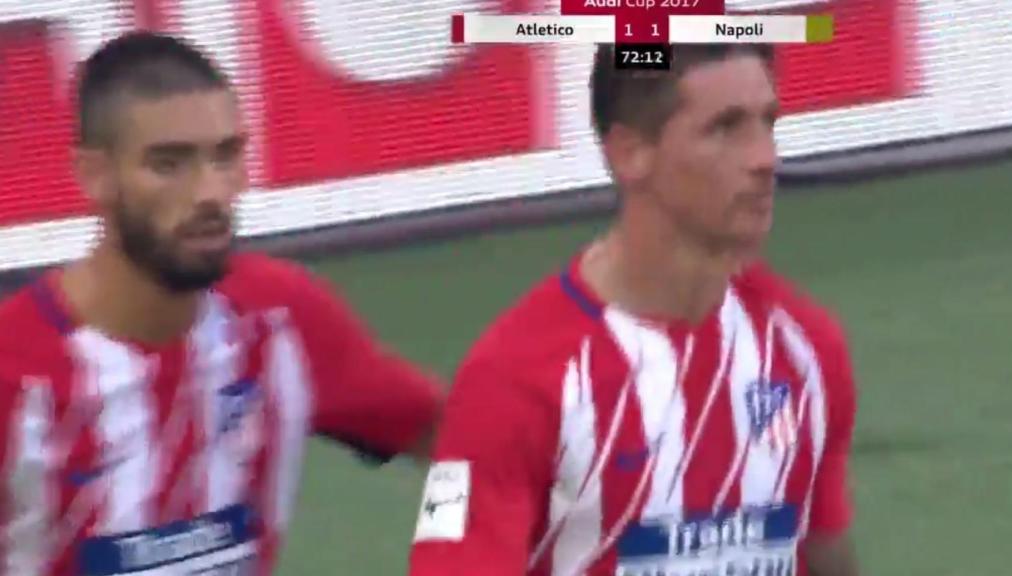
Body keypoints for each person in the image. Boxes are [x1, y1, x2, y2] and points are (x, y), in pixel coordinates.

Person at [0, 32, 443, 575]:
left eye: (226, 156)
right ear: (94, 174)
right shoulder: (15, 374)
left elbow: (469, 438)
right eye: (169, 164)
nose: (210, 191)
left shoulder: (281, 321)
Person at [408, 44, 859, 576]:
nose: (764, 158)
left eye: (768, 123)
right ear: (630, 153)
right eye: (725, 128)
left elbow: (824, 551)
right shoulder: (509, 381)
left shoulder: (803, 347)